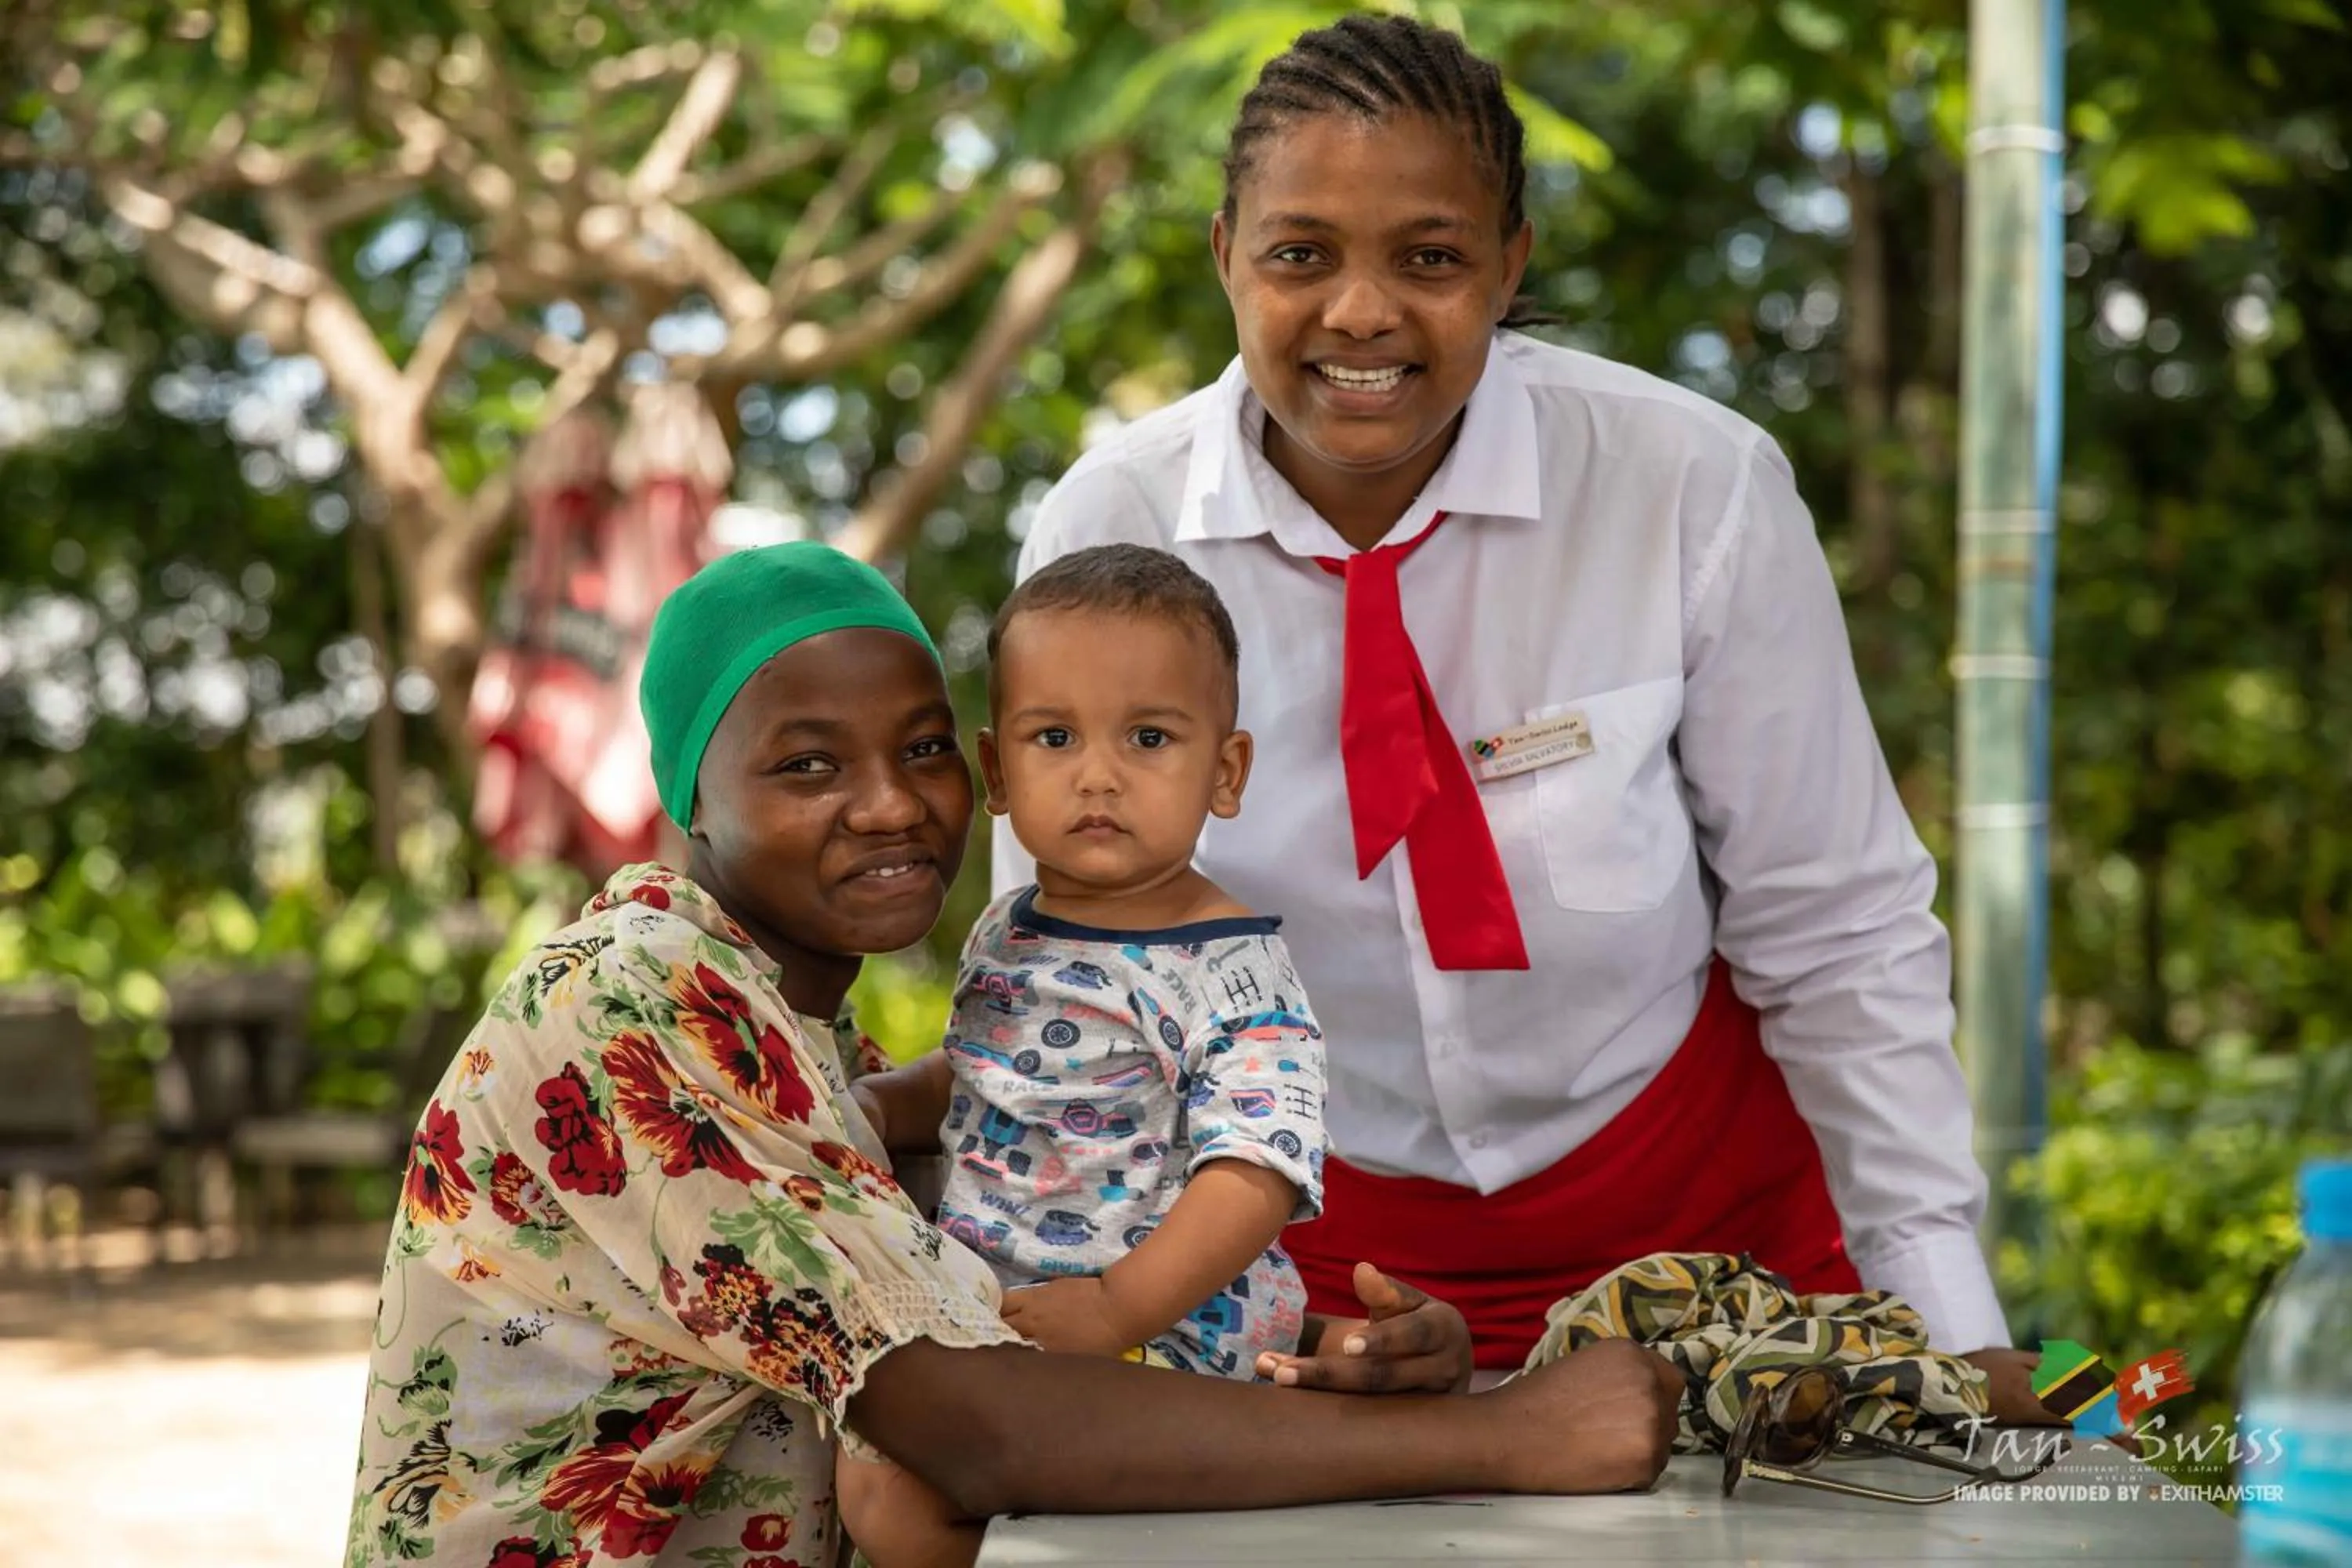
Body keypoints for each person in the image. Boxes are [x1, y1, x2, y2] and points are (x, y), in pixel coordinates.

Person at [996, 12, 2053, 1424]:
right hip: (1295, 1259)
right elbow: (1075, 965)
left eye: (1429, 259)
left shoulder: (1689, 486)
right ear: (1225, 256)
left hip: (1718, 1248)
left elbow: (1839, 931)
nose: (1360, 312)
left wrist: (1948, 1325)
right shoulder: (1110, 526)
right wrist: (1129, 1298)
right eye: (1300, 254)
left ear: (1510, 267)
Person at [344, 540, 1675, 1568]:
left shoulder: (806, 1039)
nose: (889, 803)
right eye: (807, 766)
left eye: (922, 749)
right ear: (692, 795)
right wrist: (1496, 1435)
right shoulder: (635, 1009)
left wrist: (1322, 1352)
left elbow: (1030, 1278)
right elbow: (982, 1422)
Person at [841, 542, 1329, 1565]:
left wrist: (1117, 1308)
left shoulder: (1232, 967)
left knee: (937, 1506)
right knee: (878, 1488)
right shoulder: (1008, 927)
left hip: (1164, 1335)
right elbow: (986, 1073)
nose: (1098, 774)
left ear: (1225, 772)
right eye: (1055, 737)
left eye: (1149, 737)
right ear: (998, 772)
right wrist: (883, 1103)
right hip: (1007, 1318)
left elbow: (1258, 1170)